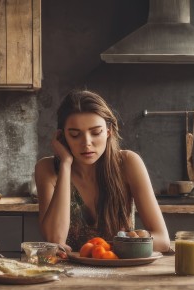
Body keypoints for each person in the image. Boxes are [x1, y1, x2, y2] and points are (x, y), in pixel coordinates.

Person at [35, 89, 171, 253]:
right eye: (75, 135)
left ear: (108, 131)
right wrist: (65, 164)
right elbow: (55, 240)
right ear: (62, 136)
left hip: (119, 271)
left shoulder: (128, 163)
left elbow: (163, 240)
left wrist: (102, 249)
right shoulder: (47, 169)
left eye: (96, 132)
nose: (87, 143)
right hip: (67, 274)